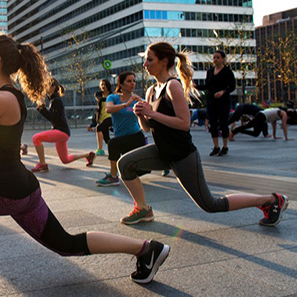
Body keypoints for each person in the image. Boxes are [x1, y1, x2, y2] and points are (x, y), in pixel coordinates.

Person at [0, 34, 170, 285]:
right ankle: (146, 249)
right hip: (22, 189)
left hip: (0, 190)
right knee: (66, 243)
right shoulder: (7, 96)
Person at [115, 42, 288, 228]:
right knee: (125, 164)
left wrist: (153, 113)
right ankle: (143, 209)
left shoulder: (173, 86)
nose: (145, 64)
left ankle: (271, 200)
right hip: (162, 151)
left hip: (182, 155)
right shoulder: (151, 91)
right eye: (145, 60)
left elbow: (184, 123)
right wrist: (141, 115)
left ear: (164, 61)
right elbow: (147, 128)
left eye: (150, 60)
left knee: (211, 204)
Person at [31, 78, 95, 172]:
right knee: (65, 160)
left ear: (53, 87)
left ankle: (42, 164)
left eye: (46, 86)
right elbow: (53, 116)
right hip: (63, 132)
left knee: (36, 138)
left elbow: (53, 118)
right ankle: (88, 155)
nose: (44, 88)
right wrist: (42, 107)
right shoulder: (54, 99)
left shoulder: (56, 100)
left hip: (61, 131)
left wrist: (42, 109)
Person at [96, 71, 147, 186]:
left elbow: (150, 112)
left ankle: (113, 177)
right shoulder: (113, 97)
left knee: (113, 144)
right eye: (129, 81)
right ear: (121, 84)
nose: (132, 83)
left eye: (134, 81)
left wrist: (143, 103)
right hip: (121, 137)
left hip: (135, 136)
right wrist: (127, 103)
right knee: (127, 168)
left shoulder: (138, 99)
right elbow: (108, 109)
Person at [195, 50, 236, 156]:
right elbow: (207, 86)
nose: (215, 59)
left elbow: (232, 86)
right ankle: (216, 146)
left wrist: (223, 92)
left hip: (223, 101)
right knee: (212, 123)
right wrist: (195, 86)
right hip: (211, 101)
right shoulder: (210, 72)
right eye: (214, 58)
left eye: (218, 57)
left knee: (223, 123)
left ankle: (225, 146)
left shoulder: (227, 71)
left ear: (223, 59)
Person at [88, 79, 113, 156]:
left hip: (110, 116)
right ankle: (115, 147)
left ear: (108, 85)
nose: (103, 86)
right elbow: (100, 99)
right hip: (101, 117)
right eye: (101, 84)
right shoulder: (98, 94)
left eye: (104, 84)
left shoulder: (113, 95)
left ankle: (100, 149)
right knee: (106, 138)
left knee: (98, 128)